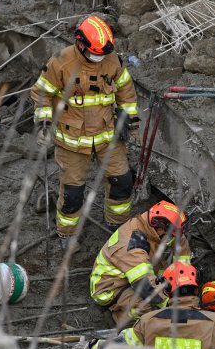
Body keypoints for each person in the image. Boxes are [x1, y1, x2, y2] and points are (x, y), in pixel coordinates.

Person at [30, 14, 139, 248]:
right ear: (79, 42)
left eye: (103, 55)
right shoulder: (61, 62)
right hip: (72, 140)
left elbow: (126, 92)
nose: (99, 59)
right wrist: (44, 125)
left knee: (122, 182)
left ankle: (117, 226)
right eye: (95, 54)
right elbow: (42, 94)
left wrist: (129, 120)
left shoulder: (112, 61)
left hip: (108, 136)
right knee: (72, 192)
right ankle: (67, 235)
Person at [89, 200, 191, 325]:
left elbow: (180, 242)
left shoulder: (156, 229)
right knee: (146, 307)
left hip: (136, 274)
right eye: (170, 234)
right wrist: (171, 304)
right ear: (157, 226)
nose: (171, 238)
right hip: (111, 287)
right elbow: (145, 286)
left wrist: (185, 279)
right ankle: (124, 320)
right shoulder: (132, 246)